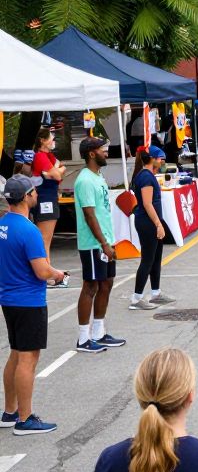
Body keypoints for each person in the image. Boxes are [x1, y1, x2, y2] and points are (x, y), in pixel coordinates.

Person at [1, 175, 68, 435]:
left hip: (8, 298)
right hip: (28, 300)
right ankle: (25, 418)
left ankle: (10, 411)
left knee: (16, 354)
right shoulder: (29, 230)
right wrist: (58, 274)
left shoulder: (3, 225)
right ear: (27, 196)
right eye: (34, 192)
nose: (37, 195)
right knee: (28, 359)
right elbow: (41, 271)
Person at [74, 137, 125, 354]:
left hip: (105, 240)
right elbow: (89, 214)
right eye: (102, 149)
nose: (106, 151)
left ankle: (99, 332)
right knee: (91, 286)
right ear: (91, 154)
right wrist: (103, 243)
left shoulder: (98, 176)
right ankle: (83, 338)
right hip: (93, 243)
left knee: (107, 283)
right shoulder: (85, 180)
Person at [129, 147, 174, 311]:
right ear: (152, 159)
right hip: (147, 223)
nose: (162, 161)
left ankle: (155, 292)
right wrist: (158, 224)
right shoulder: (146, 177)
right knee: (147, 259)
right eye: (160, 158)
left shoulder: (145, 175)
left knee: (155, 259)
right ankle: (136, 298)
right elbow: (147, 203)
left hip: (149, 221)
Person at [30, 127, 66, 281]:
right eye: (51, 138)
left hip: (50, 198)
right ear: (42, 141)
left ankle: (47, 268)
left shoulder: (49, 156)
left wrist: (56, 170)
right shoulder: (39, 156)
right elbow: (58, 173)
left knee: (46, 237)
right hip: (45, 199)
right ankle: (45, 272)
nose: (54, 141)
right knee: (44, 237)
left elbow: (61, 169)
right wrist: (56, 171)